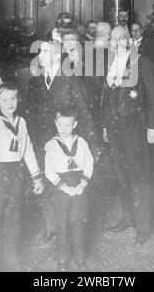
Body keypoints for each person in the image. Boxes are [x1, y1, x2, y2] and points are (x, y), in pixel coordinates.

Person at [26, 40, 98, 244]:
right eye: (39, 52)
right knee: (47, 183)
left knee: (70, 186)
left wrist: (92, 144)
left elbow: (84, 113)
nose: (40, 56)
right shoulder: (35, 82)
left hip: (67, 145)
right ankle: (52, 227)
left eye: (45, 52)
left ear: (57, 56)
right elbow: (30, 115)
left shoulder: (70, 80)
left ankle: (70, 229)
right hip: (43, 143)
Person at [102, 26, 154, 245]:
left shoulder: (142, 62)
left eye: (122, 38)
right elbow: (106, 97)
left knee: (138, 176)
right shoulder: (108, 63)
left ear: (129, 40)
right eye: (114, 38)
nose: (117, 41)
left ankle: (143, 226)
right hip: (115, 129)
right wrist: (105, 126)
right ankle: (128, 218)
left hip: (135, 128)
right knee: (121, 175)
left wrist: (153, 127)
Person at [0, 82, 44, 272]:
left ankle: (11, 264)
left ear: (18, 99)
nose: (9, 103)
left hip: (16, 173)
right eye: (5, 99)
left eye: (13, 98)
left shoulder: (21, 122)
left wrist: (36, 177)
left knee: (13, 219)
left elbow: (28, 151)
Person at [44, 109, 94, 272]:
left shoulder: (82, 142)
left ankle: (80, 258)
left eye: (68, 125)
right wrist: (64, 187)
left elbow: (89, 164)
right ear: (55, 124)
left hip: (79, 185)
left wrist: (82, 184)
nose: (64, 128)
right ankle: (62, 260)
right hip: (61, 188)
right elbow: (49, 171)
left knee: (78, 221)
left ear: (75, 124)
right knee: (62, 222)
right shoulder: (51, 145)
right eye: (61, 125)